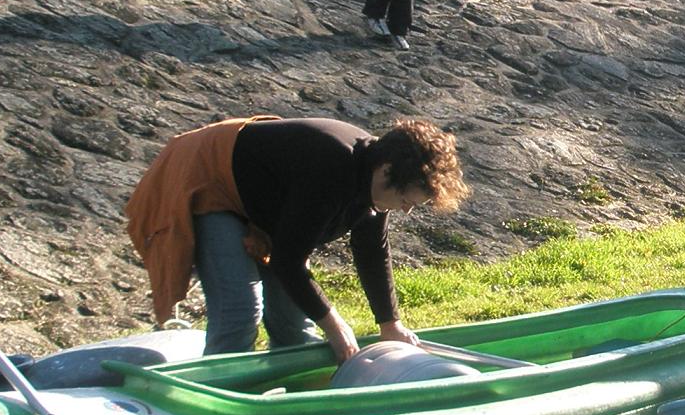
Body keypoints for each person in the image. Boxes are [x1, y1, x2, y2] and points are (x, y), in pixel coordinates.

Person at [125, 116, 468, 360]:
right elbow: (288, 262)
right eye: (407, 201)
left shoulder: (375, 181)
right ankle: (215, 411)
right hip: (209, 178)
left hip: (266, 203)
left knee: (293, 323)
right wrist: (335, 326)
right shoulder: (332, 170)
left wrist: (389, 323)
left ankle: (291, 402)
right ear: (387, 172)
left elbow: (372, 253)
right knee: (241, 311)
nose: (405, 210)